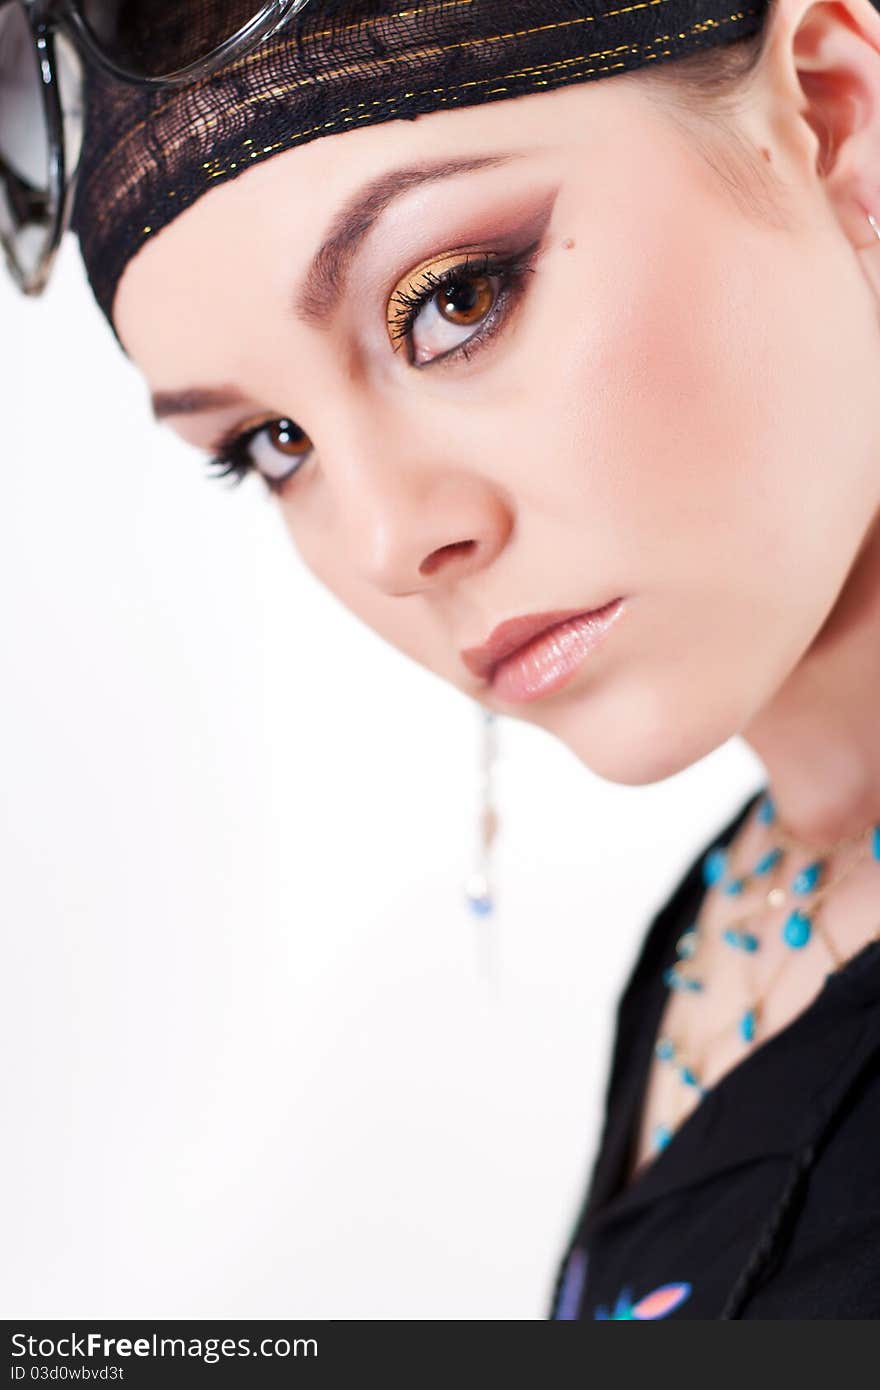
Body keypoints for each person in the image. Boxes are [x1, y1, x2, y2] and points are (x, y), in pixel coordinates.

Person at [65, 0, 880, 1318]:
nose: (389, 538)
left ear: (837, 120)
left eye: (453, 299)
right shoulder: (718, 924)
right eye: (273, 441)